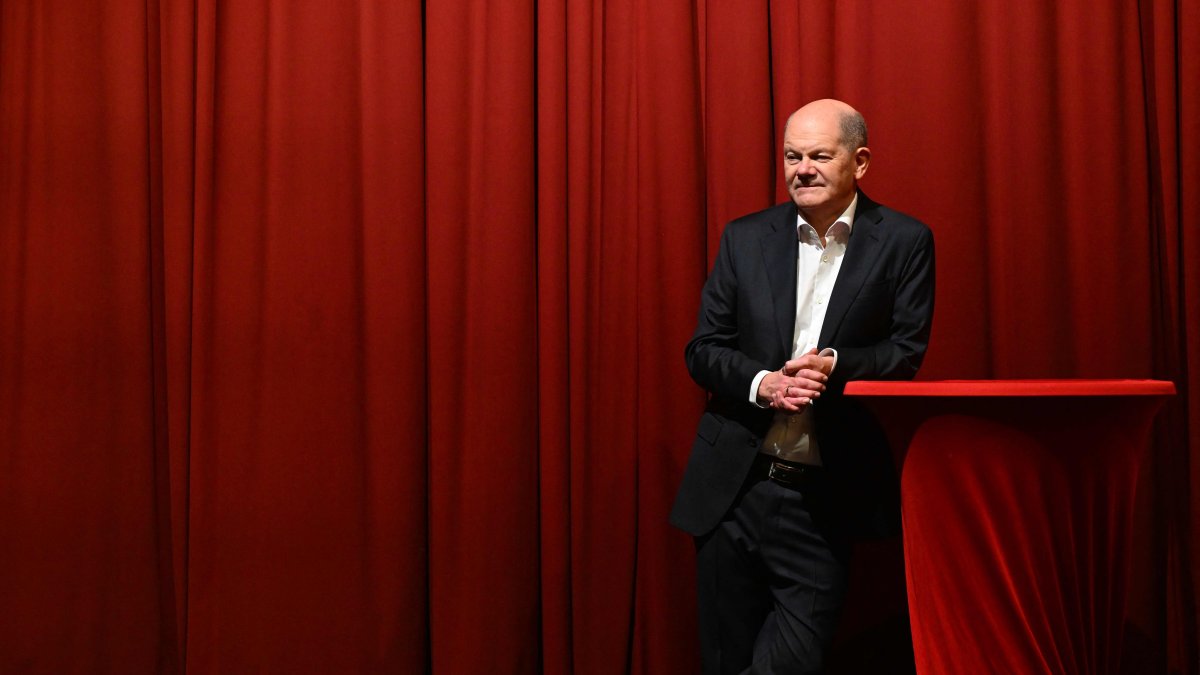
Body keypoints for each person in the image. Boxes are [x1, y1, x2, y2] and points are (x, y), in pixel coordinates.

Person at [670, 99, 935, 674]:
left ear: (859, 162)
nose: (802, 169)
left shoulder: (905, 241)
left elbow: (904, 354)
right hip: (732, 491)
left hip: (824, 495)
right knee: (725, 660)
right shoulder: (744, 238)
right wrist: (764, 384)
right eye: (792, 156)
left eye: (819, 155)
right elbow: (703, 350)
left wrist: (836, 365)